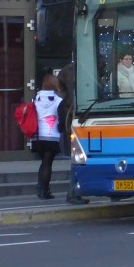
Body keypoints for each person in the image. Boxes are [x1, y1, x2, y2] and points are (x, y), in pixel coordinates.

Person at [55, 64, 87, 205]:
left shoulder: (67, 71)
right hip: (76, 114)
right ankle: (73, 192)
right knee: (77, 158)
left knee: (77, 158)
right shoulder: (84, 68)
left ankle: (75, 191)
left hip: (76, 113)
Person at [32, 72, 64, 200]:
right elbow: (61, 120)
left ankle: (41, 188)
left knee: (43, 163)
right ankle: (44, 191)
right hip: (51, 136)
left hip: (38, 135)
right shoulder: (58, 100)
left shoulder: (36, 99)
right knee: (48, 163)